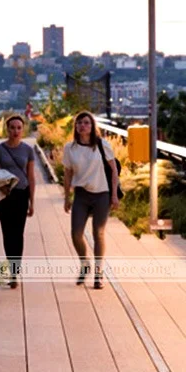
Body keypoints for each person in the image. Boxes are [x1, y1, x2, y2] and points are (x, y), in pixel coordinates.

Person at [63, 111, 120, 289]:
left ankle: (98, 273)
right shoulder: (69, 148)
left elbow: (113, 170)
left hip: (102, 194)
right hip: (81, 194)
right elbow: (67, 173)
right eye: (79, 123)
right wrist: (67, 196)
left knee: (99, 233)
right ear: (76, 127)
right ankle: (84, 263)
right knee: (76, 233)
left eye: (86, 123)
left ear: (92, 125)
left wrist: (114, 195)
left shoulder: (102, 145)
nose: (83, 126)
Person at [0, 115, 35, 288]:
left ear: (23, 130)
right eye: (12, 127)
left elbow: (31, 177)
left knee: (18, 233)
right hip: (4, 195)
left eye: (19, 128)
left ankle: (15, 271)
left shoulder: (28, 150)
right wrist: (2, 186)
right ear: (7, 129)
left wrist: (32, 202)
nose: (15, 131)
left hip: (22, 194)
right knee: (8, 233)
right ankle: (12, 270)